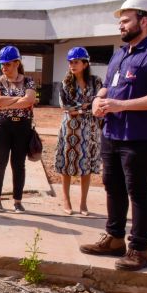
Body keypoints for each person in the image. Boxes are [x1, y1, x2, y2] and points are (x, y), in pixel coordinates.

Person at [80, 0, 147, 271]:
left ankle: (139, 249)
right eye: (120, 21)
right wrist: (98, 100)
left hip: (140, 136)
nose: (120, 25)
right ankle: (114, 239)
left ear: (143, 21)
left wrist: (121, 105)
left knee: (138, 191)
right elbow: (108, 86)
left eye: (126, 20)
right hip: (112, 132)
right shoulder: (120, 54)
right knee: (112, 186)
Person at [54, 47, 103, 216]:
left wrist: (80, 108)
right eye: (70, 62)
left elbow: (99, 103)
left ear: (85, 64)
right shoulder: (65, 83)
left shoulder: (96, 82)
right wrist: (87, 107)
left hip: (90, 130)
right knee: (67, 164)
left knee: (86, 166)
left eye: (76, 62)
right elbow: (66, 107)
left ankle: (83, 203)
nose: (72, 65)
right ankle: (66, 201)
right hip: (70, 129)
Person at [0, 45, 36, 213]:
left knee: (18, 164)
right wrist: (19, 99)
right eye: (2, 64)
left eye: (8, 64)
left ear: (17, 63)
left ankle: (17, 201)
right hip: (1, 126)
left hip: (22, 127)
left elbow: (29, 100)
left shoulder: (29, 80)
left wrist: (6, 103)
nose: (4, 67)